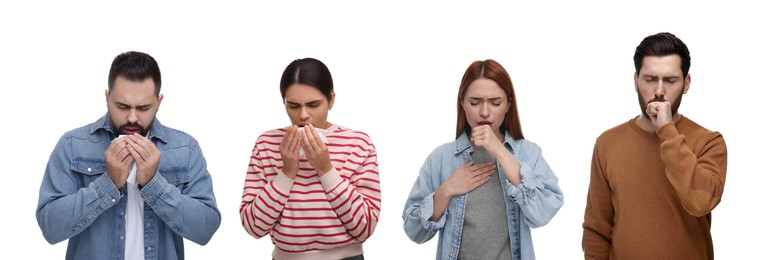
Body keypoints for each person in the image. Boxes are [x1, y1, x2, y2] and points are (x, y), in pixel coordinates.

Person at [36, 51, 221, 260]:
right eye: (122, 106)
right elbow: (50, 227)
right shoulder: (72, 145)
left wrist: (153, 183)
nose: (132, 117)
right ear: (107, 98)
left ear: (159, 102)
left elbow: (205, 228)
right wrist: (108, 184)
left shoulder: (185, 149)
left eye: (143, 108)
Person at [582, 32, 728, 259]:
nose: (659, 91)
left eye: (670, 80)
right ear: (635, 81)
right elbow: (597, 228)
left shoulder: (709, 142)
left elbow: (701, 202)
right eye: (650, 79)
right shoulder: (607, 143)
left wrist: (667, 130)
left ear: (686, 83)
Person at [402, 59, 564, 260]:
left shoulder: (528, 153)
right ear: (462, 102)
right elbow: (413, 230)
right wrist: (447, 190)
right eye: (475, 102)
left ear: (508, 104)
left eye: (495, 103)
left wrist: (501, 152)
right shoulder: (440, 159)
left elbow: (543, 213)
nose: (485, 112)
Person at [240, 58, 380, 260]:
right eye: (293, 105)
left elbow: (365, 227)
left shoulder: (358, 143)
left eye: (314, 104)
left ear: (331, 99)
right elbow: (253, 227)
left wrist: (325, 169)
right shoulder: (266, 144)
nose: (303, 115)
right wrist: (287, 172)